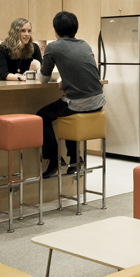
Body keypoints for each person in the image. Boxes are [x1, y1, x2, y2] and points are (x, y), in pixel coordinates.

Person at [36, 10, 104, 177]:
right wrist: (65, 82)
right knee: (67, 115)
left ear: (56, 30)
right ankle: (75, 160)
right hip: (99, 102)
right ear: (75, 28)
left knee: (42, 116)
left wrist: (35, 68)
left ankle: (54, 160)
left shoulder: (53, 47)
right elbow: (83, 72)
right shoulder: (84, 44)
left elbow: (43, 79)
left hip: (78, 103)